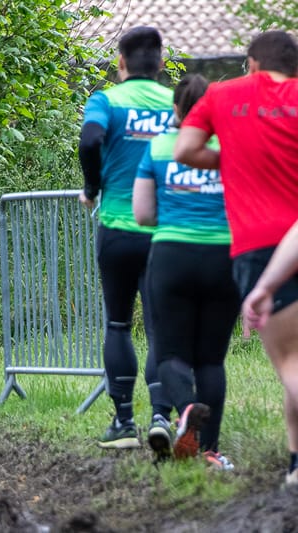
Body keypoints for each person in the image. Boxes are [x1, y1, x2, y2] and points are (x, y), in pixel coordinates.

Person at [174, 30, 298, 485]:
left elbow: (186, 149)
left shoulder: (223, 96)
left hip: (260, 247)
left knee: (291, 363)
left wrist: (231, 160)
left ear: (249, 63)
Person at [132, 74, 237, 470]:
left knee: (171, 352)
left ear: (176, 108)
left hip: (171, 255)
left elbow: (142, 214)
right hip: (222, 256)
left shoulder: (160, 146)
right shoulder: (229, 147)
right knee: (211, 360)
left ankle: (186, 407)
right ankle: (210, 451)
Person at [78, 26, 174, 449]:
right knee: (159, 327)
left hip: (117, 226)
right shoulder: (176, 105)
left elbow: (90, 139)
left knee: (118, 323)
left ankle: (122, 424)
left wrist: (92, 187)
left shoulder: (106, 100)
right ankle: (160, 417)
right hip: (165, 231)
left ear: (120, 62)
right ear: (161, 62)